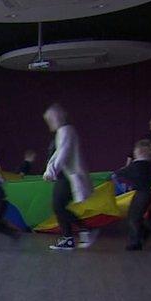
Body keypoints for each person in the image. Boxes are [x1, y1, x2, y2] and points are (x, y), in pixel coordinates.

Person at [42, 103, 94, 250]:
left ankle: (84, 230)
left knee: (58, 206)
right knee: (58, 206)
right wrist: (50, 170)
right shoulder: (63, 131)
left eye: (50, 119)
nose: (49, 123)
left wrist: (51, 171)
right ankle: (69, 237)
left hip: (67, 176)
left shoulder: (65, 131)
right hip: (64, 175)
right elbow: (57, 154)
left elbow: (62, 154)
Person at [113, 139, 151, 251]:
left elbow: (124, 172)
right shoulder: (148, 165)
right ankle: (142, 233)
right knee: (135, 217)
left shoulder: (139, 164)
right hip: (146, 192)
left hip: (142, 194)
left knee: (133, 218)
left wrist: (113, 175)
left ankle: (135, 242)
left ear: (140, 151)